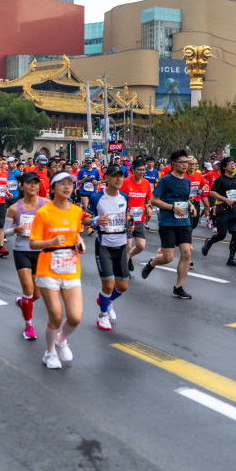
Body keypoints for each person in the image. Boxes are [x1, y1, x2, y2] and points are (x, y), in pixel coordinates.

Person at [29, 171, 86, 369]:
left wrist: (79, 242)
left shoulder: (76, 211)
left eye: (70, 183)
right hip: (48, 269)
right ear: (52, 188)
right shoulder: (43, 213)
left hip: (71, 268)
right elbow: (33, 243)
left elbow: (76, 234)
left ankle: (61, 340)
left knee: (75, 317)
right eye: (61, 183)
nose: (67, 186)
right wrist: (51, 241)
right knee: (56, 315)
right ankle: (50, 352)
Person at [141, 149, 194, 299]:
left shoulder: (187, 181)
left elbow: (183, 198)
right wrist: (172, 208)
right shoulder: (165, 180)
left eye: (187, 162)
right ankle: (152, 263)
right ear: (173, 163)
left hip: (184, 222)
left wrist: (189, 205)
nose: (185, 165)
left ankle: (178, 287)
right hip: (168, 222)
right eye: (182, 162)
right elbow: (154, 200)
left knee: (186, 253)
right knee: (168, 257)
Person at [86, 164, 131, 330]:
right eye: (114, 176)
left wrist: (129, 224)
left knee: (123, 286)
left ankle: (107, 300)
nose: (119, 179)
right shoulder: (97, 198)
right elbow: (85, 219)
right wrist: (95, 221)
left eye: (121, 176)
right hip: (104, 245)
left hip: (121, 245)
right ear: (106, 178)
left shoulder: (124, 197)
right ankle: (102, 315)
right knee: (108, 284)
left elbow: (126, 217)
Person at [5, 172, 48, 339]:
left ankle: (22, 302)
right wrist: (15, 230)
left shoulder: (46, 204)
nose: (33, 186)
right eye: (29, 183)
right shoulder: (14, 208)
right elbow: (5, 232)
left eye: (35, 183)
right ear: (21, 186)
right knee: (28, 290)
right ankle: (28, 326)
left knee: (37, 294)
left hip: (40, 252)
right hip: (22, 251)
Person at [202, 156, 236, 266]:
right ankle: (209, 242)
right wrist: (225, 199)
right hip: (222, 210)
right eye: (230, 163)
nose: (233, 165)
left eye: (233, 163)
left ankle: (231, 258)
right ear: (224, 167)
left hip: (234, 210)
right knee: (222, 235)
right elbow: (212, 193)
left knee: (235, 234)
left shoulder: (235, 179)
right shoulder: (220, 179)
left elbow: (234, 193)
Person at [122, 158, 153, 272]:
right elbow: (120, 199)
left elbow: (149, 198)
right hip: (127, 218)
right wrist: (126, 215)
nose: (142, 172)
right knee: (128, 244)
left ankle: (129, 257)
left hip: (139, 218)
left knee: (141, 246)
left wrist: (148, 207)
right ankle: (124, 270)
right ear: (133, 170)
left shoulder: (146, 183)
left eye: (143, 170)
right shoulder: (125, 182)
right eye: (139, 170)